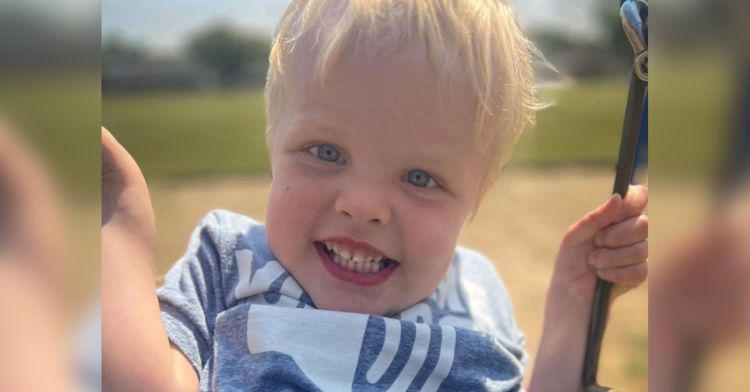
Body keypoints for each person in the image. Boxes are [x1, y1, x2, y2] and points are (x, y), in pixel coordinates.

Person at [102, 0, 649, 390]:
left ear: (476, 198)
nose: (362, 205)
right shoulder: (229, 259)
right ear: (273, 142)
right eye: (325, 152)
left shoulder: (477, 294)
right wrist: (118, 226)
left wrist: (574, 308)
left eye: (420, 178)